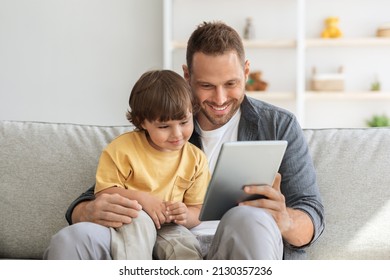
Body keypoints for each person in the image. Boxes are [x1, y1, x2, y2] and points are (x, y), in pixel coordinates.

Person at [44, 21, 324, 260]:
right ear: (187, 76)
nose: (220, 98)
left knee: (247, 217)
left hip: (233, 243)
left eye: (231, 83)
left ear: (246, 72)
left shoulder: (278, 125)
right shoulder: (160, 126)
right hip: (154, 243)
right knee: (74, 238)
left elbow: (310, 213)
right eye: (206, 86)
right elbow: (99, 193)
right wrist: (88, 211)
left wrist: (285, 220)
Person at [45, 70, 211, 260]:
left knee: (185, 249)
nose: (177, 134)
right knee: (136, 230)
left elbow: (197, 211)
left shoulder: (196, 158)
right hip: (132, 219)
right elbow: (104, 193)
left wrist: (185, 215)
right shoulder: (122, 149)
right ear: (142, 122)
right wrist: (142, 199)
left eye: (184, 122)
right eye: (164, 127)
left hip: (171, 226)